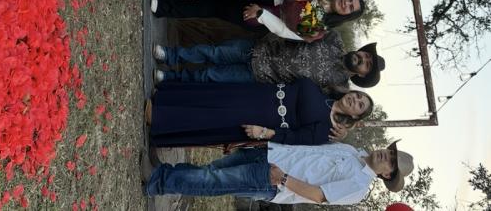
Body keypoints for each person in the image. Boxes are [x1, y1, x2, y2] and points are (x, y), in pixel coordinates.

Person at [140, 140, 414, 205]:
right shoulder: (351, 149)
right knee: (212, 170)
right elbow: (307, 149)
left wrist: (282, 178)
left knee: (213, 181)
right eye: (390, 152)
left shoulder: (358, 186)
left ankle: (156, 181)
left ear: (386, 175)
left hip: (273, 181)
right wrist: (268, 145)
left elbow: (320, 195)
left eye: (391, 163)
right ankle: (164, 172)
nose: (386, 156)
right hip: (270, 154)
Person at [145, 77, 373, 147]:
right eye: (358, 95)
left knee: (216, 117)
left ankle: (160, 118)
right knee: (214, 95)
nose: (355, 99)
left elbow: (296, 138)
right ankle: (165, 98)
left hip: (263, 119)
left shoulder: (329, 131)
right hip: (258, 93)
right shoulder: (325, 89)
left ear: (355, 116)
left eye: (359, 105)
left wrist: (264, 132)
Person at [150, 0, 365, 42]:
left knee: (212, 8)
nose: (346, 3)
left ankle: (164, 8)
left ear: (347, 15)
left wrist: (262, 14)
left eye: (350, 8)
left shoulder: (320, 28)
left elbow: (286, 31)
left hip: (261, 15)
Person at [151, 30, 385, 90]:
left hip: (260, 76)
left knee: (210, 76)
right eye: (367, 55)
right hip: (259, 48)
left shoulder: (339, 86)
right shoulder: (333, 38)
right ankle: (169, 55)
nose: (363, 58)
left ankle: (170, 78)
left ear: (362, 75)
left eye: (367, 64)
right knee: (212, 52)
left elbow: (334, 112)